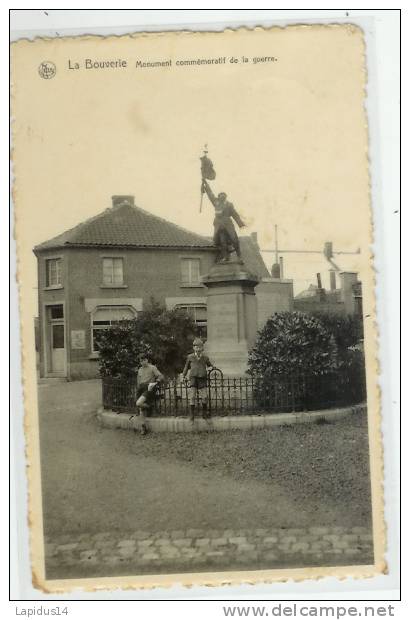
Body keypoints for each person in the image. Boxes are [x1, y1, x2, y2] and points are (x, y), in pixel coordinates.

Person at [201, 178, 245, 262]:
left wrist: (240, 223)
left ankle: (239, 256)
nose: (221, 196)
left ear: (225, 197)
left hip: (228, 224)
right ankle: (225, 257)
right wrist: (205, 184)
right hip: (219, 226)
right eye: (220, 195)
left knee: (234, 239)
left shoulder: (229, 205)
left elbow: (235, 214)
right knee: (222, 242)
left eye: (223, 195)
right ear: (218, 196)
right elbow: (210, 194)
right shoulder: (216, 203)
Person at [182, 338, 214, 421]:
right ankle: (192, 414)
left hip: (202, 378)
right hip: (193, 378)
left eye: (200, 347)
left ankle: (204, 413)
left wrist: (209, 369)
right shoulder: (190, 357)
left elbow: (210, 366)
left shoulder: (205, 358)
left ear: (202, 348)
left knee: (205, 396)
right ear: (194, 348)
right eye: (196, 347)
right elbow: (186, 367)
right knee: (192, 396)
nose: (198, 349)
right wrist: (183, 375)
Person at [134, 356, 164, 435]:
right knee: (140, 408)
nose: (143, 362)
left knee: (139, 403)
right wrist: (137, 390)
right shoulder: (140, 370)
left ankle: (149, 407)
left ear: (147, 360)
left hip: (149, 388)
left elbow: (161, 376)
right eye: (141, 361)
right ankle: (143, 427)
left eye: (144, 360)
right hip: (141, 389)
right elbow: (138, 381)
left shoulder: (152, 367)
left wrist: (156, 382)